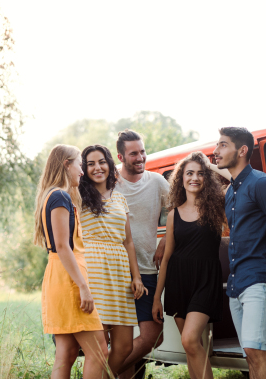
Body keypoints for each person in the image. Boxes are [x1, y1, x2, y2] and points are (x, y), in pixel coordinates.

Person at [211, 127, 266, 379]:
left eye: (223, 145)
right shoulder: (231, 192)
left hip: (259, 279)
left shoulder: (261, 184)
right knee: (249, 354)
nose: (216, 151)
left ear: (242, 150)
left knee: (254, 349)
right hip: (236, 285)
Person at [33, 144, 109, 379]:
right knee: (99, 352)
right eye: (79, 164)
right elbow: (63, 246)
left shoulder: (53, 196)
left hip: (59, 278)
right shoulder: (59, 196)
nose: (82, 171)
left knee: (65, 355)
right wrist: (84, 288)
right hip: (69, 283)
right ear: (66, 164)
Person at [152, 151, 225, 379]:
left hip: (205, 280)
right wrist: (157, 298)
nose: (195, 178)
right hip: (178, 281)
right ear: (180, 178)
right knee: (190, 347)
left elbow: (235, 179)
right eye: (189, 173)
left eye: (200, 174)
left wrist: (209, 165)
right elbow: (167, 258)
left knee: (190, 339)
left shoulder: (216, 207)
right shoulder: (174, 214)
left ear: (207, 178)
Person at [78, 144, 147, 377]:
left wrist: (136, 276)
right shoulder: (78, 196)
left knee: (125, 345)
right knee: (100, 346)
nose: (97, 167)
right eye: (90, 164)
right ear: (84, 169)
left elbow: (128, 241)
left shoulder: (120, 198)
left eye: (101, 162)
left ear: (109, 163)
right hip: (94, 269)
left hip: (119, 273)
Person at [114, 130, 170, 378]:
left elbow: (177, 210)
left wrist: (166, 237)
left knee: (153, 336)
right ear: (121, 156)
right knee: (122, 343)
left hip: (146, 269)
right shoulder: (110, 182)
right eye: (133, 153)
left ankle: (100, 373)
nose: (140, 157)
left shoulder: (157, 182)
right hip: (115, 272)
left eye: (142, 151)